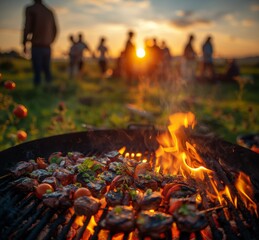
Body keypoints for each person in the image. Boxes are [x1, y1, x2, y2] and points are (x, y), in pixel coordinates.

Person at [22, 0, 58, 87]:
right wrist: (50, 41)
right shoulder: (49, 11)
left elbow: (27, 26)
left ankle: (37, 91)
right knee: (47, 70)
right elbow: (55, 29)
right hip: (47, 46)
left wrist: (24, 43)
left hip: (37, 45)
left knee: (37, 71)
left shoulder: (31, 9)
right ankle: (48, 90)